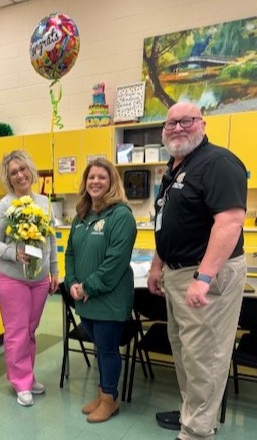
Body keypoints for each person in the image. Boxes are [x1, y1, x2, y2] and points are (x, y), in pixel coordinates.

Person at [147, 102, 247, 440]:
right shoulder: (175, 167)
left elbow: (230, 222)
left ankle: (197, 432)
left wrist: (202, 279)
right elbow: (166, 220)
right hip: (177, 273)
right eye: (171, 122)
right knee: (185, 351)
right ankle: (195, 414)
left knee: (205, 356)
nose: (177, 128)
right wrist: (157, 265)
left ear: (202, 124)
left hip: (205, 275)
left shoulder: (217, 163)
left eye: (186, 121)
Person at [64, 157, 137, 423]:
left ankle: (110, 399)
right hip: (84, 296)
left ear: (111, 182)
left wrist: (87, 287)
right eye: (91, 177)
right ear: (85, 182)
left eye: (101, 177)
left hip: (108, 298)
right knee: (98, 347)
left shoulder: (121, 216)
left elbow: (115, 262)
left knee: (107, 348)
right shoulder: (81, 216)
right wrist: (71, 282)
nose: (95, 181)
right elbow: (70, 252)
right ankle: (102, 393)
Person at [0, 150, 59, 407]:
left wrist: (54, 271)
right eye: (13, 172)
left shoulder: (44, 202)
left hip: (38, 278)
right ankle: (20, 382)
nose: (19, 175)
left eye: (22, 169)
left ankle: (27, 375)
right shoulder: (5, 205)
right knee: (16, 332)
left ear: (31, 171)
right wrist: (13, 254)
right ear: (8, 178)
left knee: (29, 331)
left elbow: (50, 239)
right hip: (12, 277)